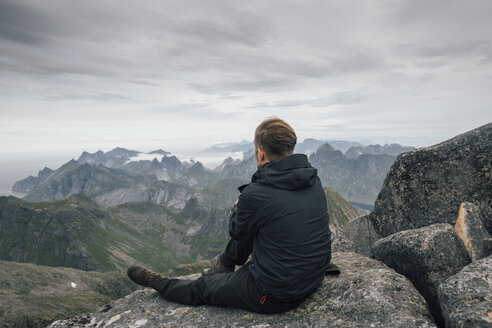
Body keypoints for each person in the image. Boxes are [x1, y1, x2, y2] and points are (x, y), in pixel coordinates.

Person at [127, 117, 332, 313]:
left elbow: (237, 230)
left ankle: (161, 284)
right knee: (255, 224)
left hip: (275, 294)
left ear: (260, 154)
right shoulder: (312, 180)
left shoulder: (257, 194)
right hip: (314, 277)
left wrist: (238, 206)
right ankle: (225, 264)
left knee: (205, 287)